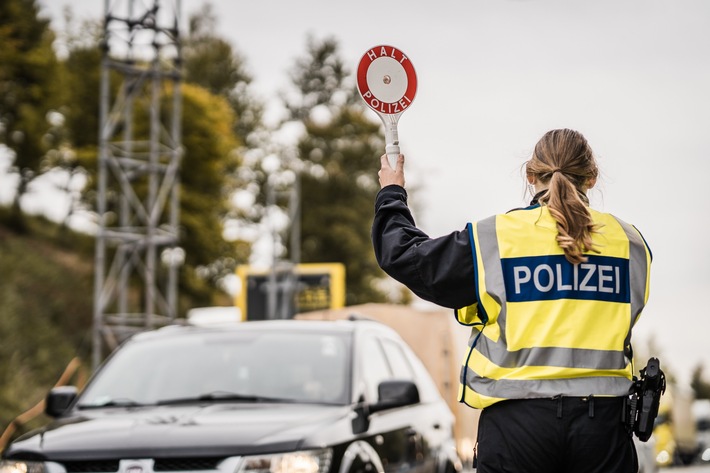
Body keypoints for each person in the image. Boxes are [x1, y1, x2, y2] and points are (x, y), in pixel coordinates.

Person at [371, 128, 651, 473]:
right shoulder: (631, 244)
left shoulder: (495, 239)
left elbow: (405, 256)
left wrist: (392, 191)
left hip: (518, 430)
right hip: (603, 431)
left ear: (530, 175)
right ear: (591, 179)